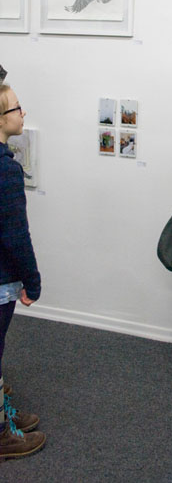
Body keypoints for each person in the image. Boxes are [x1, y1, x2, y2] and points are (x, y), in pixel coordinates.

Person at [0, 84, 46, 459]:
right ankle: (2, 435)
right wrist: (33, 281)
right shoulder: (6, 171)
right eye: (17, 108)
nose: (23, 113)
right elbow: (16, 236)